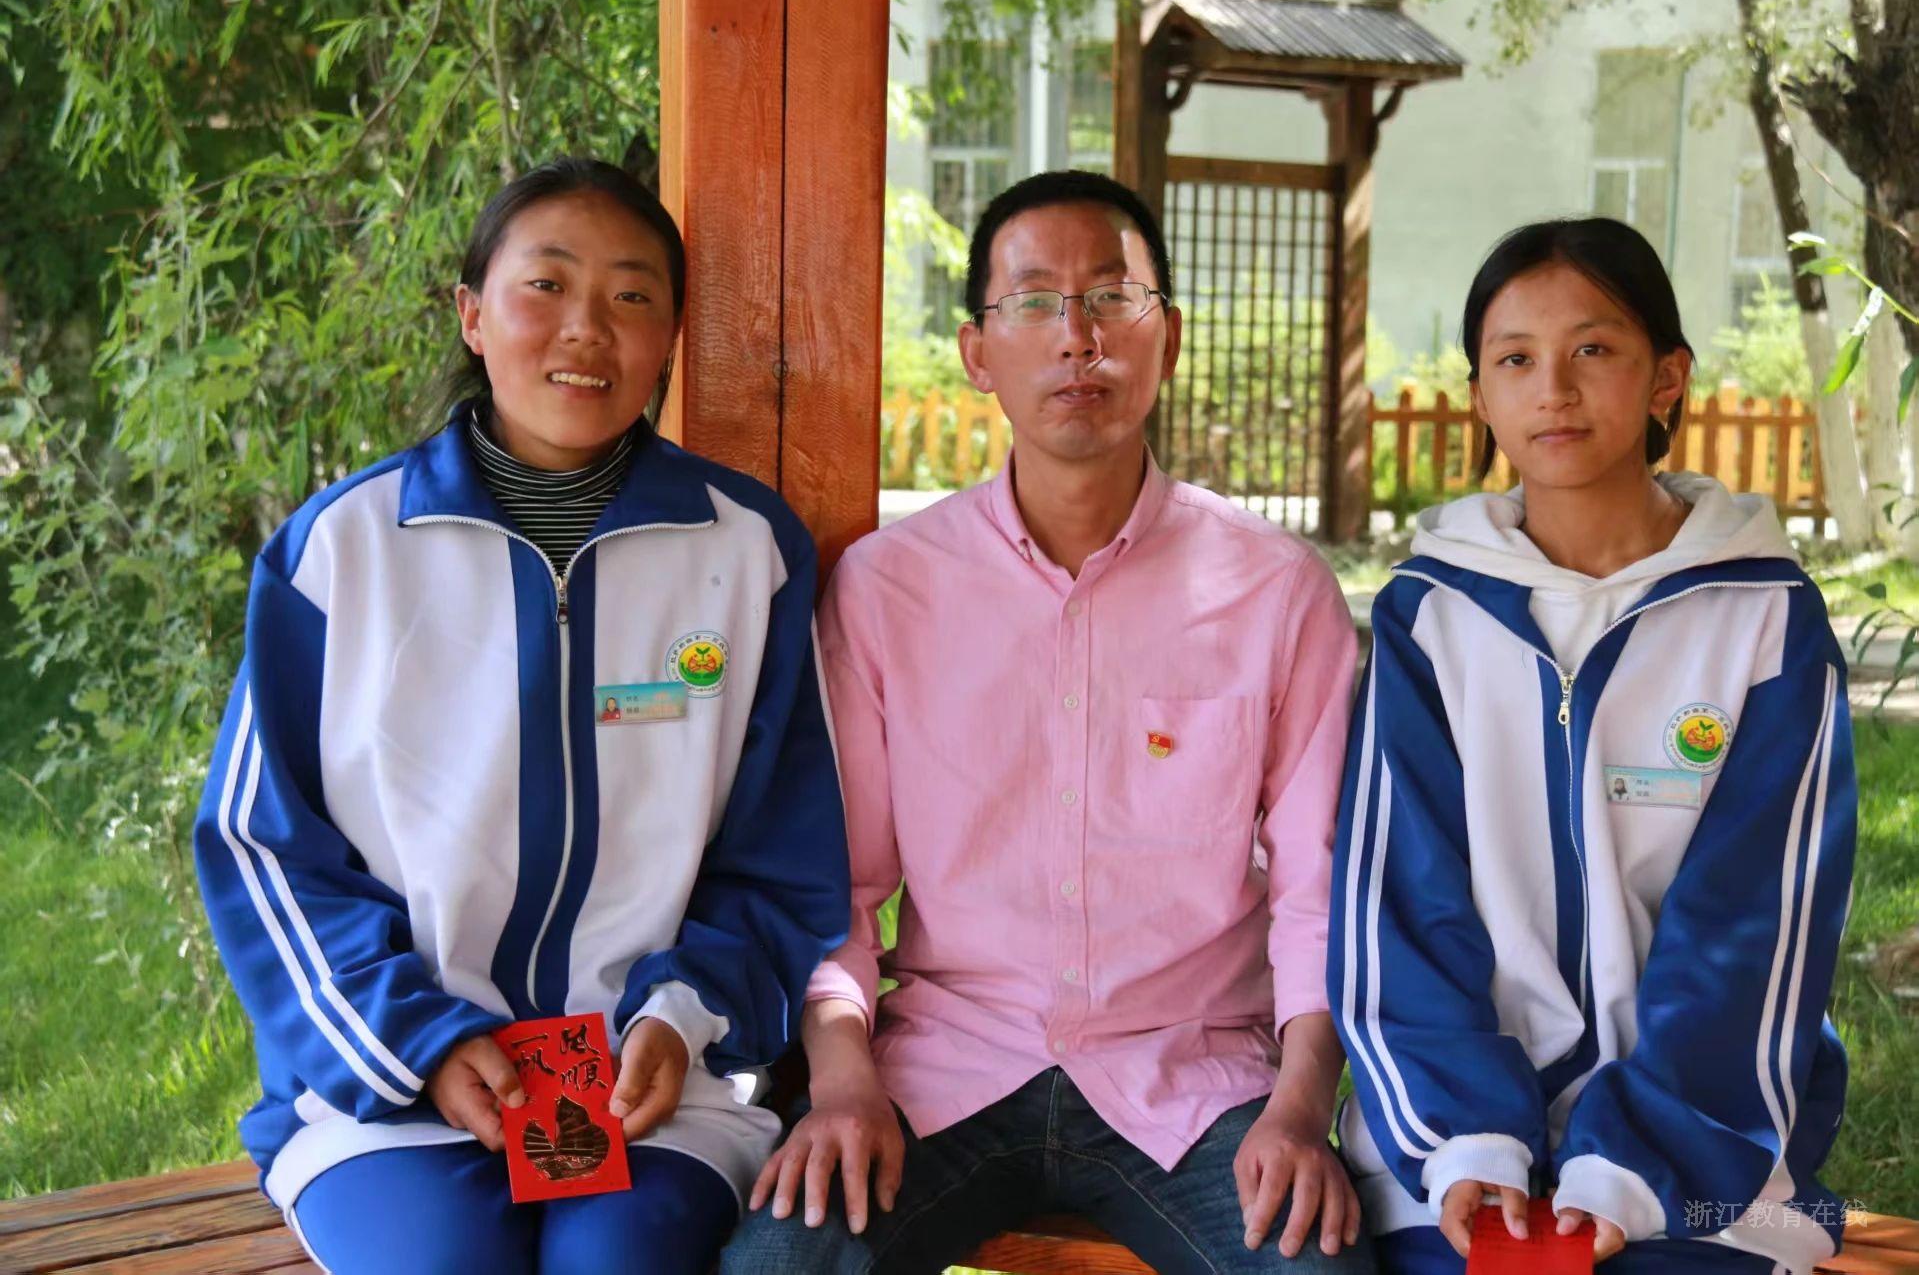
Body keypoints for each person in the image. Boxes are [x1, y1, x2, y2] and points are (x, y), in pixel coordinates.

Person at [192, 157, 849, 1274]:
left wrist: (677, 1016)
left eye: (631, 295)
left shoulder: (748, 552)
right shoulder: (343, 550)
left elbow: (781, 861)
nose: (586, 328)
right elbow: (261, 850)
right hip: (393, 1081)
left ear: (668, 338)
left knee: (617, 1263)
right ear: (471, 313)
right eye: (545, 285)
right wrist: (420, 1040)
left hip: (656, 1082)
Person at [721, 169, 1372, 1274]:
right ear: (978, 352)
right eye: (1034, 301)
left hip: (1194, 1079)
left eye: (1113, 297)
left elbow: (1316, 895)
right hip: (944, 1069)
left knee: (1314, 1265)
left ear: (1167, 336)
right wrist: (839, 1081)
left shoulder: (1273, 590)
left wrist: (1302, 1109)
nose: (1079, 337)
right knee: (778, 1264)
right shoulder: (887, 589)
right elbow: (840, 887)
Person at [1329, 218, 1856, 1274]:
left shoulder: (1762, 620)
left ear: (1667, 378)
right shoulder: (1430, 616)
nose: (1553, 391)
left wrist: (1628, 1167)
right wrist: (1466, 1144)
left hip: (1699, 1143)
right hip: (1453, 1144)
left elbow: (1753, 929)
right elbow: (1398, 905)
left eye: (1592, 349)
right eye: (1514, 359)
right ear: (1479, 396)